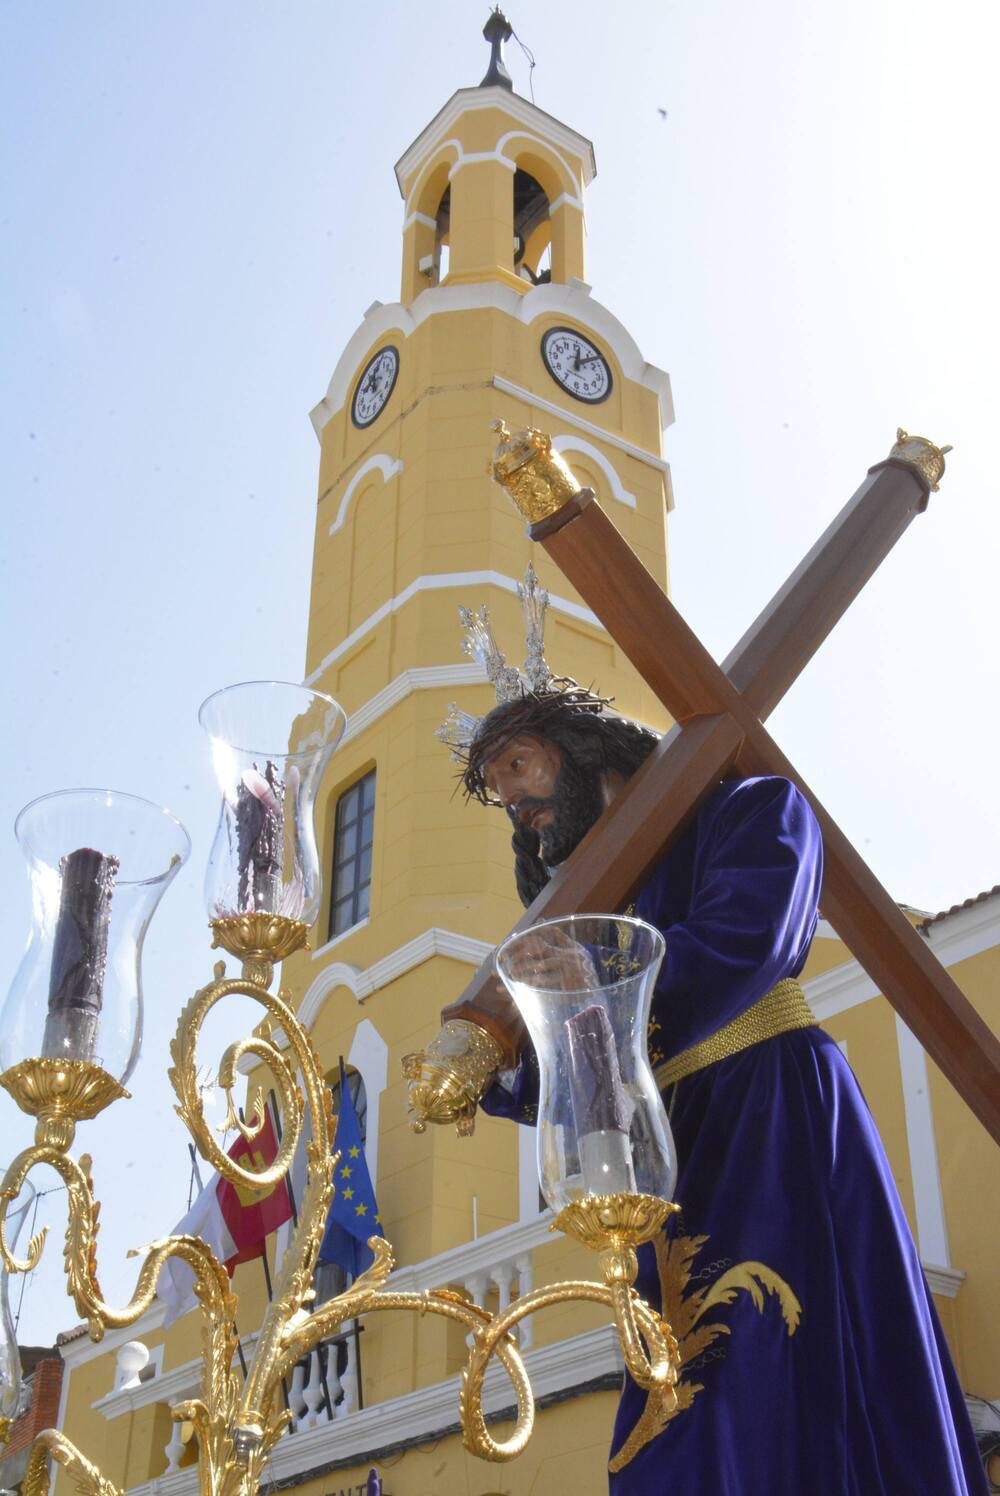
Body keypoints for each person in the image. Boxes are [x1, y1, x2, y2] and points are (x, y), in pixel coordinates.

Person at [442, 670, 987, 1495]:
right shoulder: (581, 901)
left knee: (782, 1365)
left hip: (772, 1111)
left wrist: (592, 976)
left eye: (519, 763)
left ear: (584, 746)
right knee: (680, 1414)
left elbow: (746, 941)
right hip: (673, 1159)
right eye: (497, 788)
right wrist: (497, 1063)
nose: (513, 798)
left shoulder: (749, 810)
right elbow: (573, 1076)